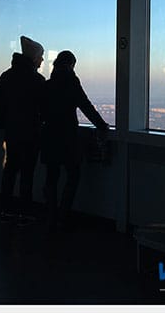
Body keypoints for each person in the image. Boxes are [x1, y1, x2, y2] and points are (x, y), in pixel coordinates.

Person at [41, 50, 109, 231]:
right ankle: (63, 216)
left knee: (51, 177)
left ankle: (50, 216)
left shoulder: (47, 85)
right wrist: (102, 126)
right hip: (68, 136)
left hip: (49, 135)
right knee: (73, 175)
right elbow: (86, 106)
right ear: (71, 65)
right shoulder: (72, 82)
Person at [0, 36, 47, 225]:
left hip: (12, 132)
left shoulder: (7, 76)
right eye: (41, 56)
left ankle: (6, 209)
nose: (42, 60)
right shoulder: (37, 80)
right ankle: (25, 211)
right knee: (27, 172)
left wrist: (6, 122)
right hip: (31, 133)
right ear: (34, 58)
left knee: (10, 170)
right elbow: (44, 108)